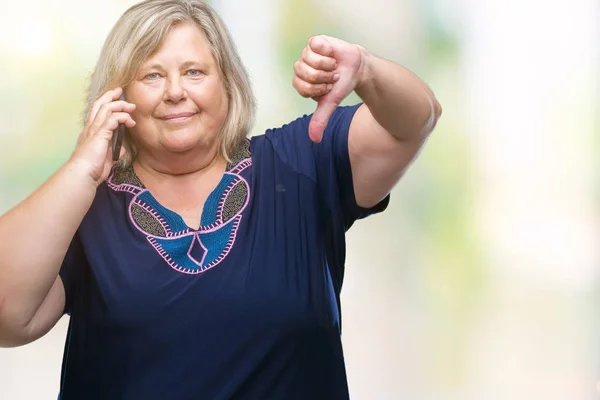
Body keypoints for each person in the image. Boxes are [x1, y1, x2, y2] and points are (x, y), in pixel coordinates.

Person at [0, 0, 441, 398]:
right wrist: (81, 170)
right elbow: (7, 316)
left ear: (228, 85)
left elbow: (416, 120)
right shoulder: (82, 206)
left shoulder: (301, 161)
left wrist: (365, 69)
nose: (175, 91)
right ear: (119, 97)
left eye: (194, 72)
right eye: (152, 75)